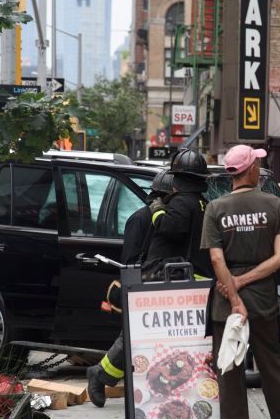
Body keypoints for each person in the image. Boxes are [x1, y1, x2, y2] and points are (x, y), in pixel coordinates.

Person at [201, 145, 280, 419]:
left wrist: (234, 295)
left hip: (225, 299)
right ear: (252, 169)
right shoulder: (273, 204)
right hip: (263, 299)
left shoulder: (215, 208)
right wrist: (244, 281)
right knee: (272, 367)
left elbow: (217, 259)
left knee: (229, 371)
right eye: (258, 163)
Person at [86, 170, 174, 407]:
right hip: (144, 286)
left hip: (162, 286)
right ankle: (99, 374)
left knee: (143, 339)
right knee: (133, 337)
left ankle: (106, 376)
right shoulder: (141, 219)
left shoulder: (168, 219)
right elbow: (131, 260)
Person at [142, 149, 213, 282]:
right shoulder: (204, 202)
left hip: (185, 278)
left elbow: (171, 228)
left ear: (178, 180)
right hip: (202, 275)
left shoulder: (181, 201)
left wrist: (158, 210)